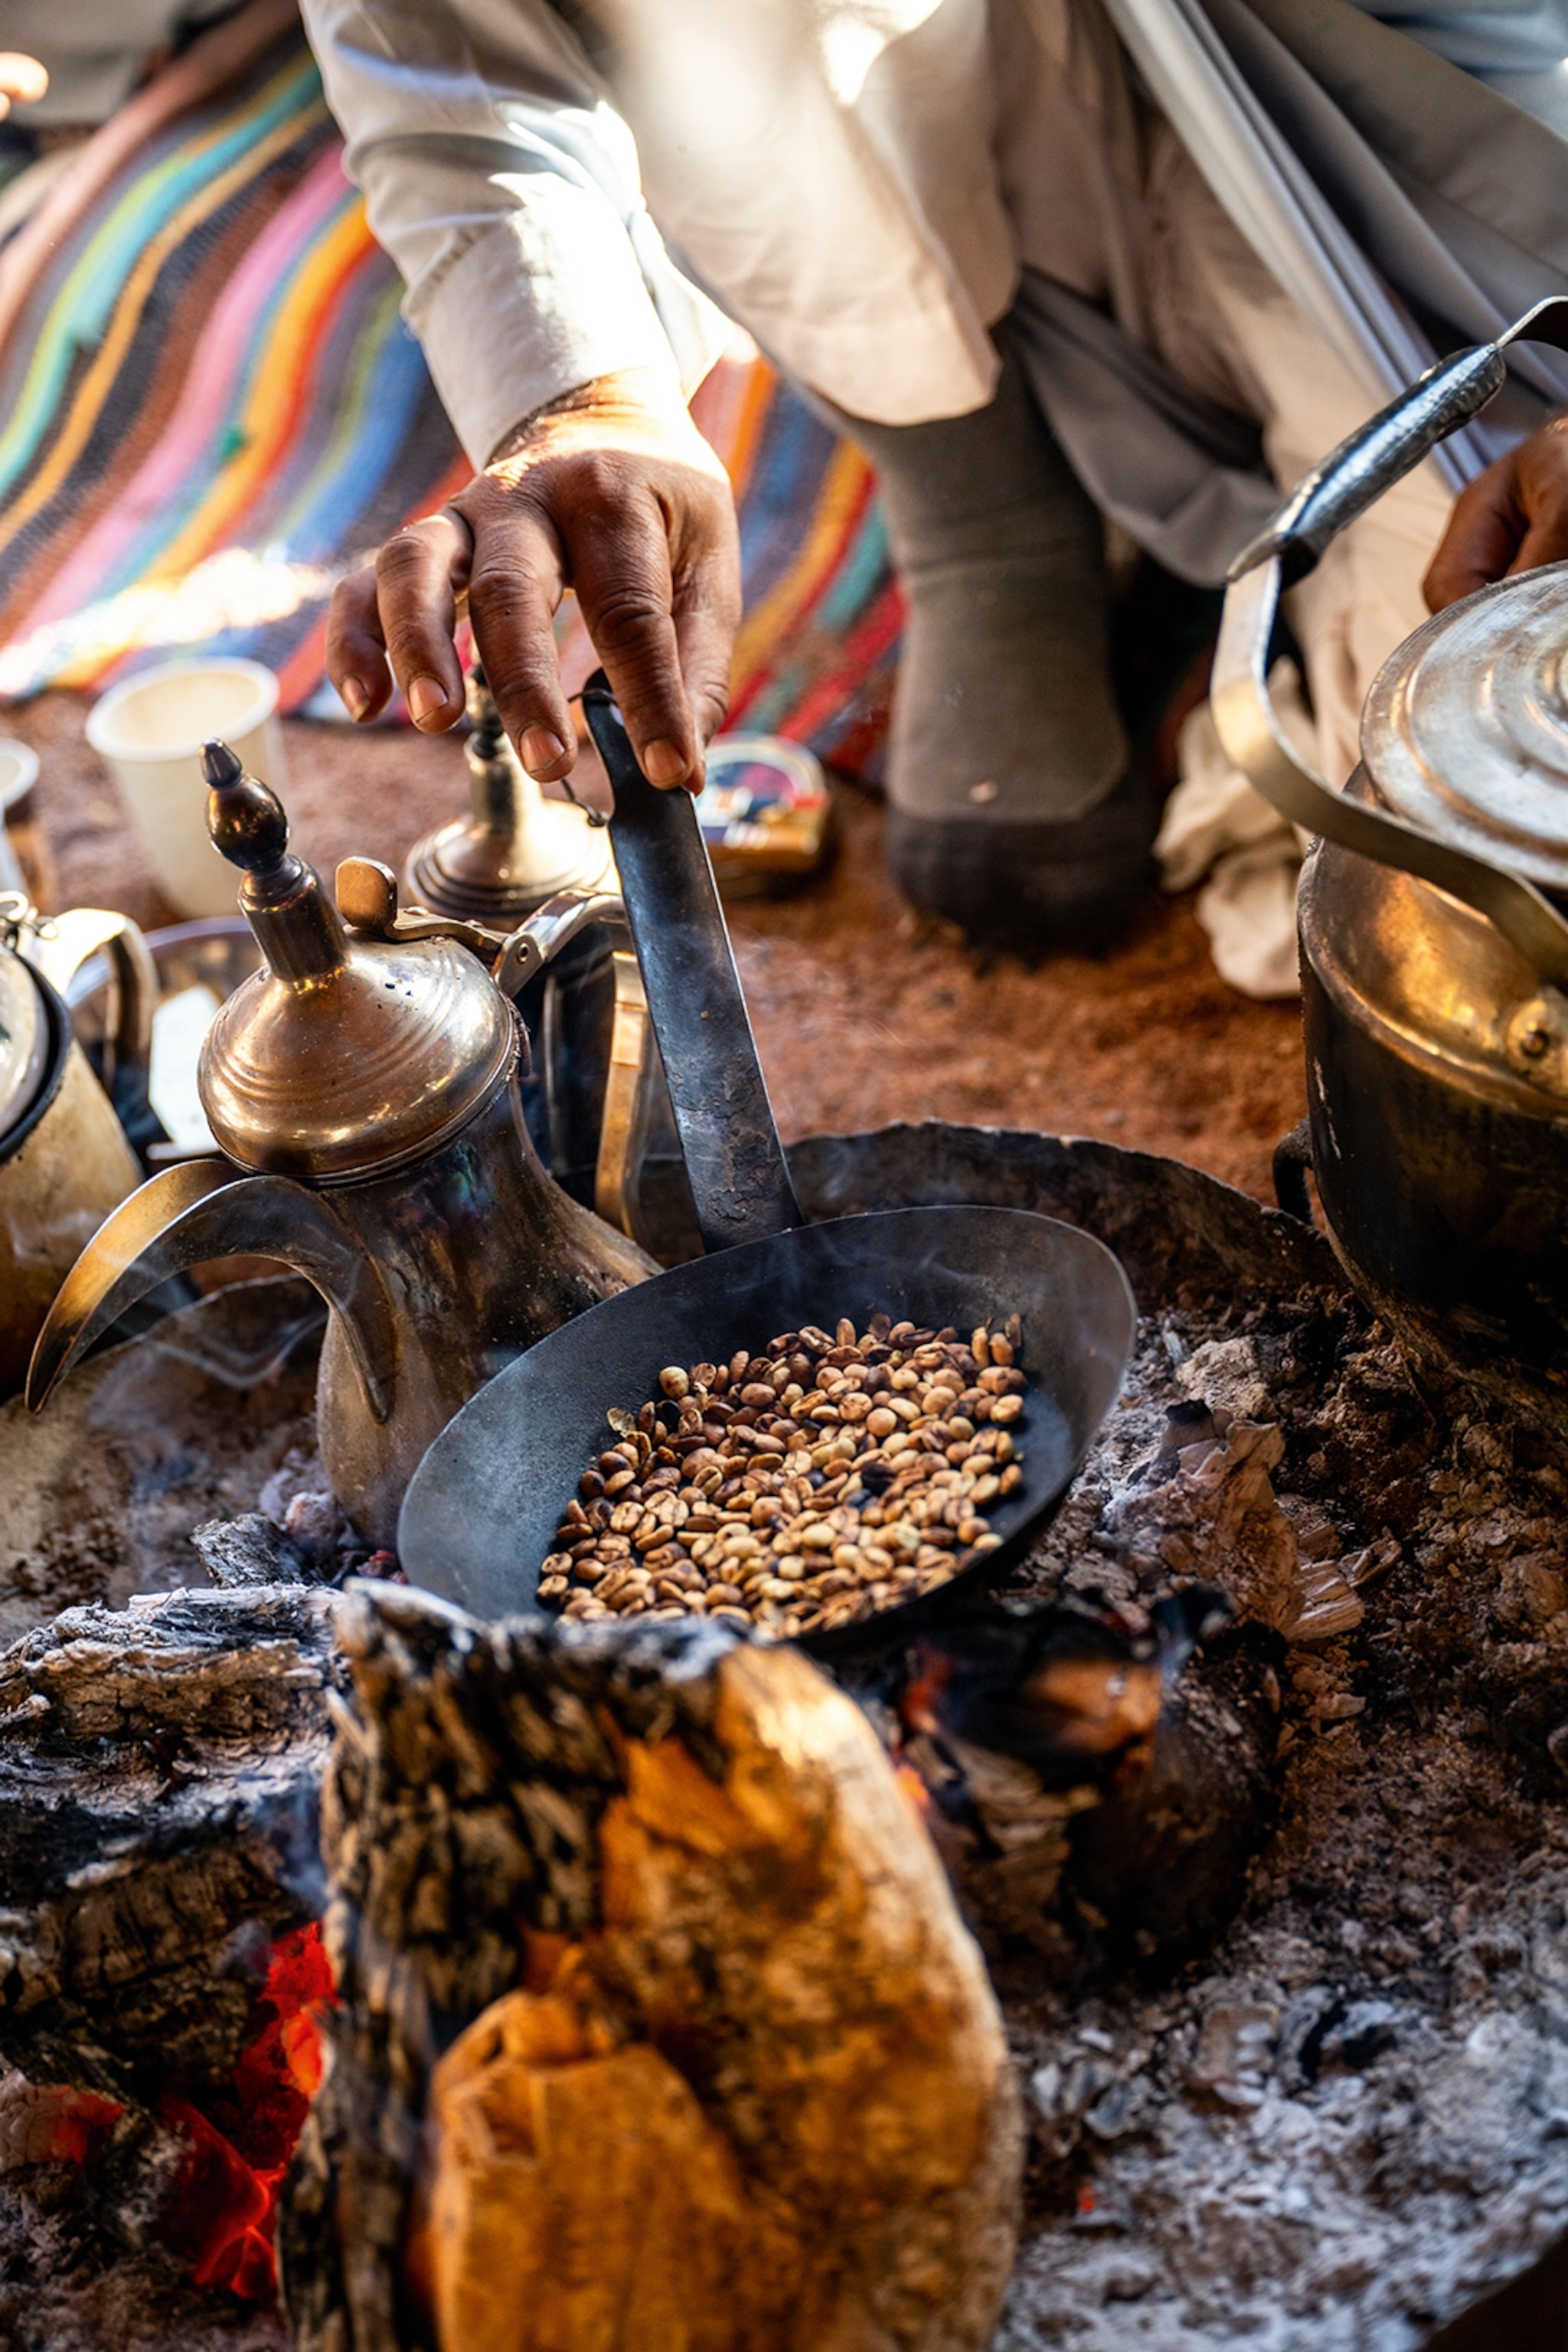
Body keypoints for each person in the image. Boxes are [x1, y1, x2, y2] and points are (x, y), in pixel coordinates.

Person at [300, 0, 1568, 949]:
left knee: (1499, 821)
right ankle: (983, 494)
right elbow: (445, 74)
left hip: (1342, 79)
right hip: (880, 119)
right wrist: (580, 401)